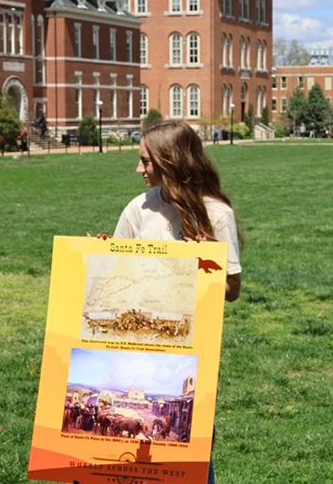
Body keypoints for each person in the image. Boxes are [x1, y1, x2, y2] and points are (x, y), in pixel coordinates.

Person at [113, 120, 241, 484]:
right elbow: (116, 271)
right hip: (139, 346)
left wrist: (203, 266)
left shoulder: (217, 214)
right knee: (130, 459)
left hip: (190, 351)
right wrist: (100, 254)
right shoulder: (138, 209)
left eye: (146, 161)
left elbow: (232, 288)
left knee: (191, 453)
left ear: (171, 162)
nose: (139, 169)